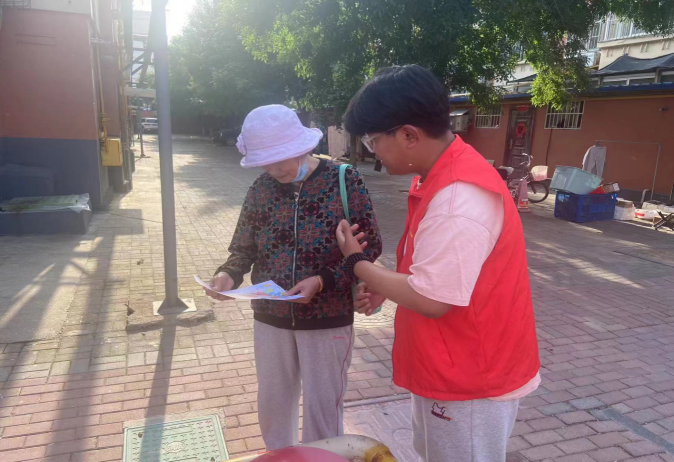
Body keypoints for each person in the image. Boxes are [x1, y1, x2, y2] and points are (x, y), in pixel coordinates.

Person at [335, 65, 540, 462]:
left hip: (470, 378)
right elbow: (433, 270)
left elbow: (431, 298)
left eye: (374, 141)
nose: (373, 151)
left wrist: (357, 262)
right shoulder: (440, 175)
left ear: (409, 135)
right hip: (451, 362)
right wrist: (386, 285)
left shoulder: (457, 199)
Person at [205, 104, 382, 450]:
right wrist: (228, 274)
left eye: (279, 160)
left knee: (323, 414)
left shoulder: (344, 180)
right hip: (270, 316)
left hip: (327, 317)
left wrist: (322, 280)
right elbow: (243, 248)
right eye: (265, 163)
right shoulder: (261, 188)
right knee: (273, 407)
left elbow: (369, 247)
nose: (273, 170)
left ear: (300, 147)